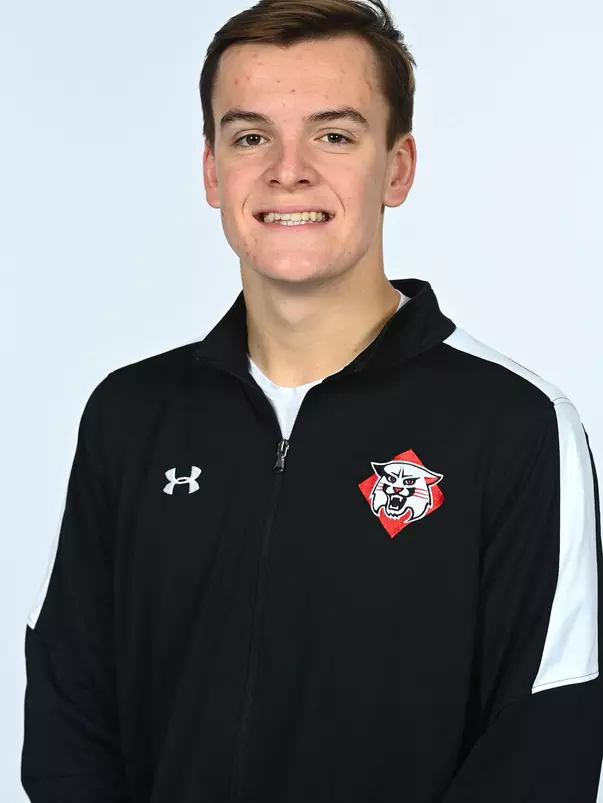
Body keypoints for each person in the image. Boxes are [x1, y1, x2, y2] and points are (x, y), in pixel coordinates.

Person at [21, 1, 602, 801]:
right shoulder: (131, 416)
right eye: (250, 135)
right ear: (211, 169)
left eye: (333, 134)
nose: (286, 170)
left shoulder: (516, 426)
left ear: (396, 167)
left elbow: (544, 742)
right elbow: (69, 716)